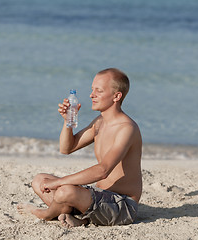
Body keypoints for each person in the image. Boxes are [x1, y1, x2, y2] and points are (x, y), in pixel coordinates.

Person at [17, 68, 142, 227]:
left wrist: (59, 183)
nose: (91, 95)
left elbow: (103, 170)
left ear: (117, 96)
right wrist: (67, 122)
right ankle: (79, 217)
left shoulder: (127, 128)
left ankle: (47, 214)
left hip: (122, 206)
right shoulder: (99, 122)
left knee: (64, 191)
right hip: (98, 197)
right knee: (39, 180)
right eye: (92, 89)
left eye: (99, 91)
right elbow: (66, 148)